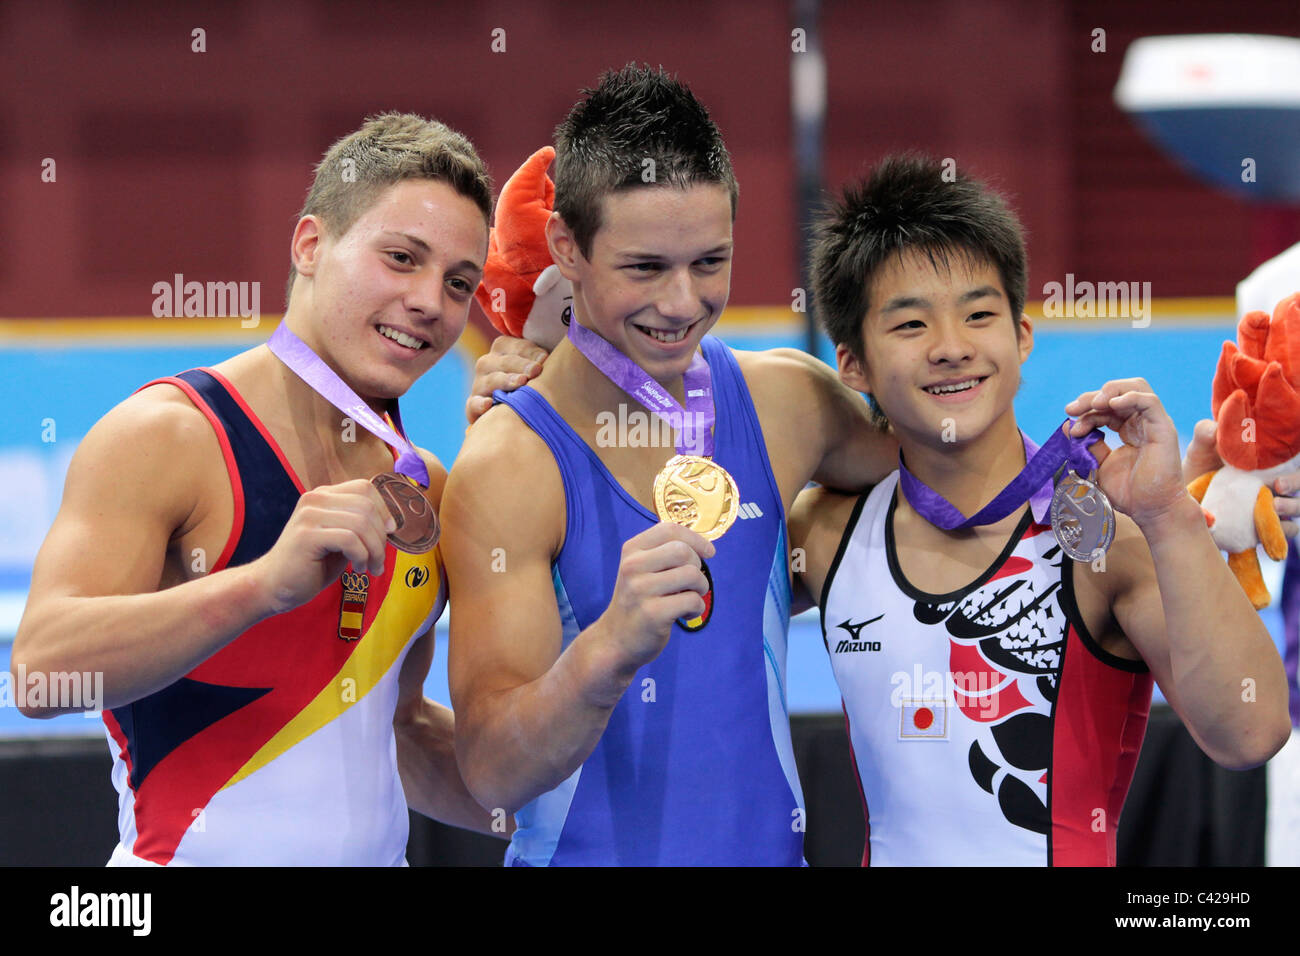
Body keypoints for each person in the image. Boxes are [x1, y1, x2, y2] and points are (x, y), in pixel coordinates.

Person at [12, 113, 503, 865]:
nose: (431, 301)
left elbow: (397, 733)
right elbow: (41, 675)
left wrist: (571, 825)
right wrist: (261, 587)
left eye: (458, 282)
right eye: (402, 258)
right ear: (311, 245)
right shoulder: (168, 436)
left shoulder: (423, 489)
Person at [440, 65, 897, 866]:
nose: (683, 302)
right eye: (646, 268)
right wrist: (606, 649)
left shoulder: (789, 402)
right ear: (566, 249)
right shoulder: (508, 464)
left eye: (710, 262)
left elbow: (945, 478)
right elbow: (492, 773)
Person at [788, 155, 1291, 865]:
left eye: (980, 314)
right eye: (909, 326)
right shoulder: (828, 532)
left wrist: (1169, 514)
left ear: (1022, 338)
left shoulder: (1105, 539)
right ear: (853, 365)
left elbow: (1250, 733)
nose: (953, 348)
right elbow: (690, 616)